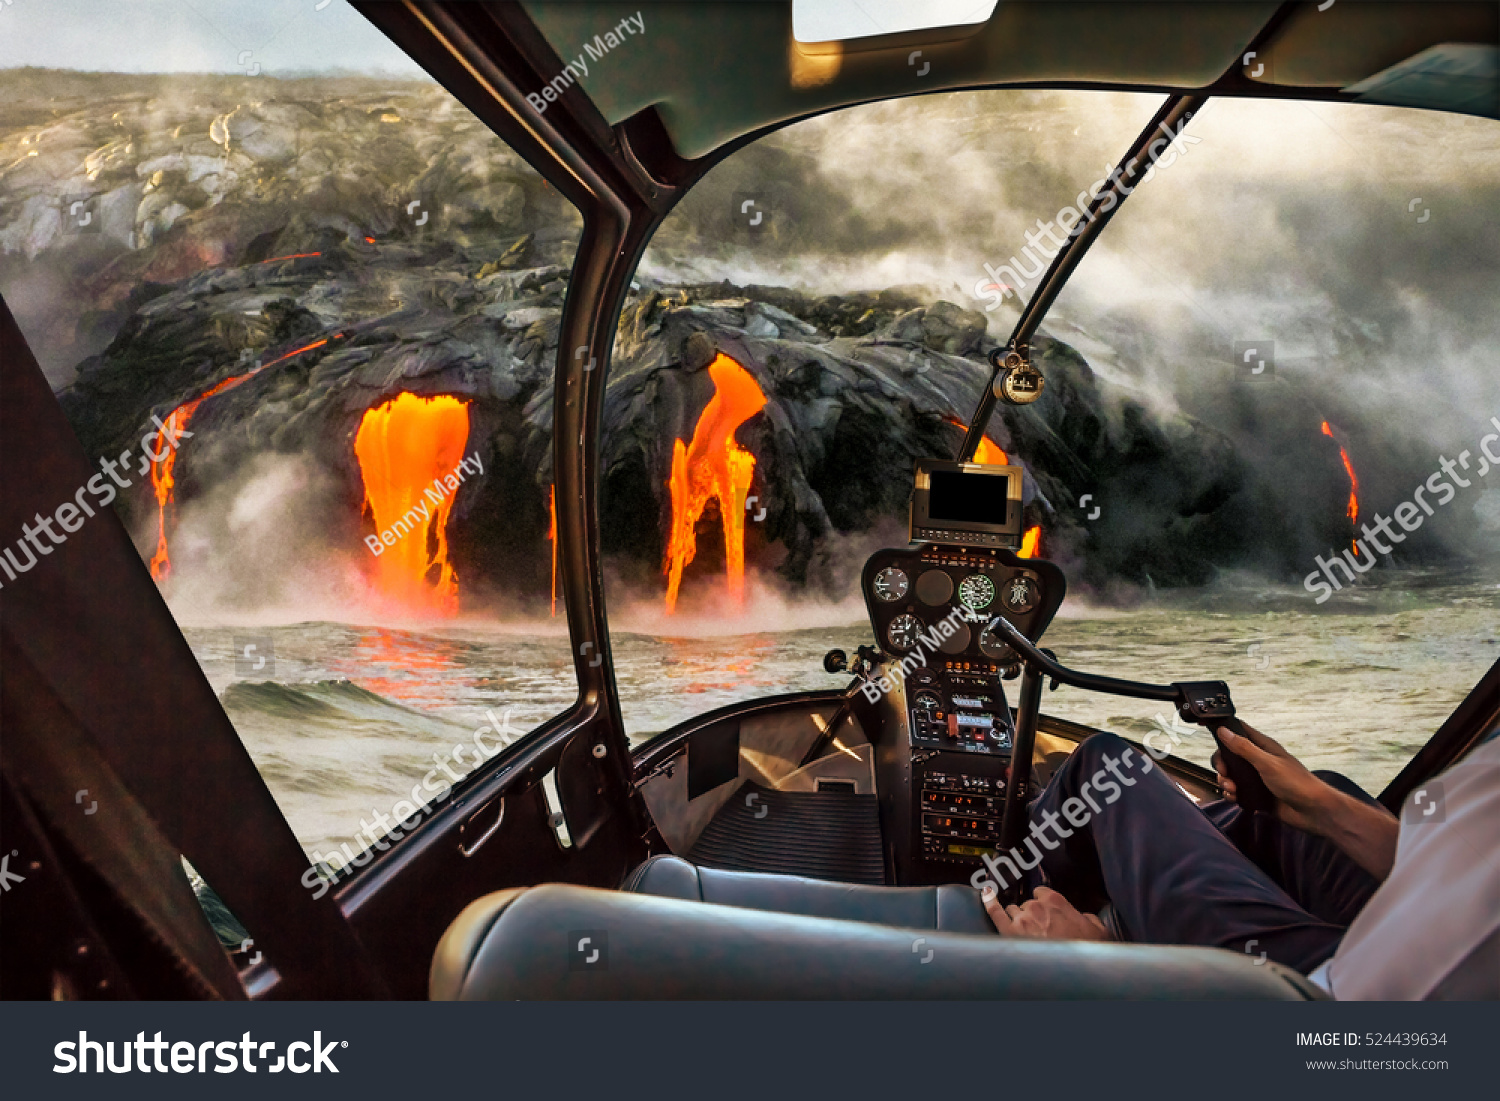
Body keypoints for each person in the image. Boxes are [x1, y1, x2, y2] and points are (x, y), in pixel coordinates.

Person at [981, 722, 1500, 999]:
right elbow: (1467, 867)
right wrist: (1323, 807)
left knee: (1106, 768)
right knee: (1305, 805)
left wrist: (1100, 975)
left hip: (1323, 1004)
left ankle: (1019, 894)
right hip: (1405, 942)